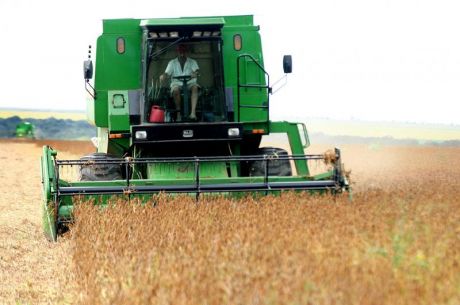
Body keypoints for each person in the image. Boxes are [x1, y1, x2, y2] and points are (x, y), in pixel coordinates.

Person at [160, 44, 199, 121]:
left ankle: (193, 113)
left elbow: (197, 71)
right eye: (180, 51)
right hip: (177, 83)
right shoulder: (172, 63)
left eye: (184, 51)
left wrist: (195, 74)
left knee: (195, 88)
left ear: (186, 52)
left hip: (189, 83)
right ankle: (178, 114)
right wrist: (163, 76)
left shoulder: (192, 62)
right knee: (175, 90)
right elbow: (167, 73)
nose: (182, 54)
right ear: (177, 52)